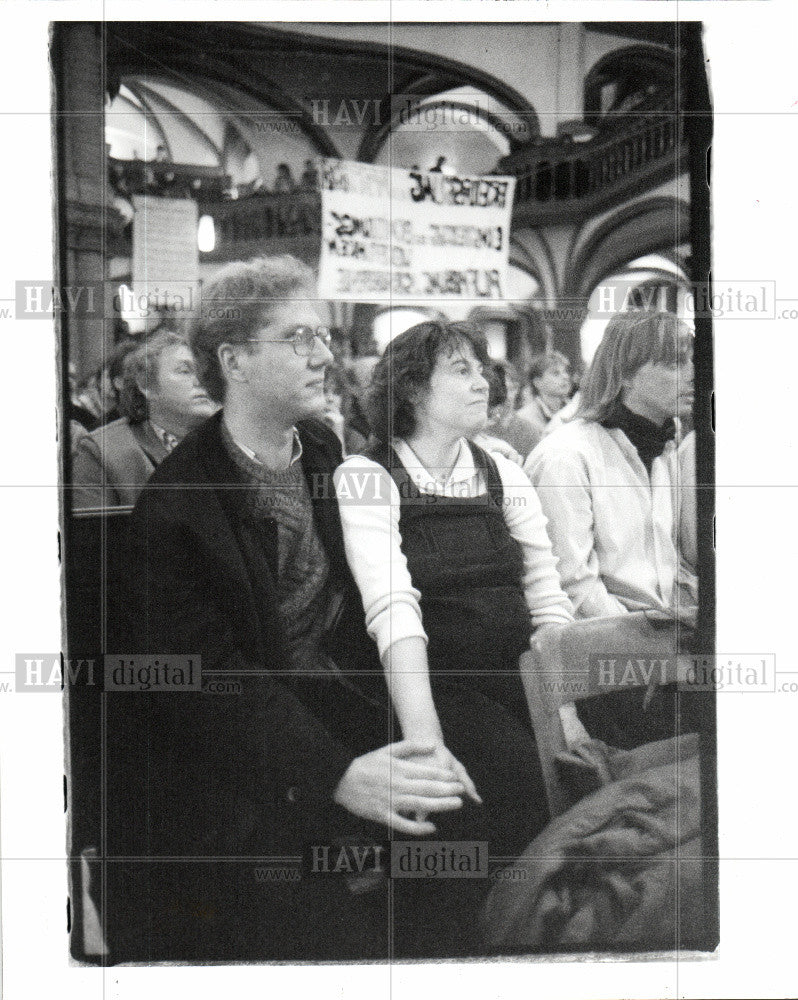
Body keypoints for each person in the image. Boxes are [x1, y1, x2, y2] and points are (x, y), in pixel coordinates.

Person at [111, 258, 538, 962]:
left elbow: (377, 594)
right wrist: (337, 772)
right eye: (298, 337)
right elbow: (204, 682)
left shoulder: (320, 447)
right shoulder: (177, 508)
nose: (323, 353)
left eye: (322, 335)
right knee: (365, 871)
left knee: (499, 774)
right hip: (252, 737)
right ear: (235, 359)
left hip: (341, 685)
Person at [334, 321, 573, 848]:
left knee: (583, 771)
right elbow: (391, 608)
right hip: (431, 687)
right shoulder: (366, 476)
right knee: (514, 785)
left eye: (482, 369)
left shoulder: (503, 473)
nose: (483, 382)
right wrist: (427, 744)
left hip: (519, 677)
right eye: (461, 370)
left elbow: (546, 594)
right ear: (414, 388)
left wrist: (565, 708)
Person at [524, 311, 697, 622]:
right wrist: (651, 639)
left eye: (692, 361)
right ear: (625, 373)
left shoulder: (663, 445)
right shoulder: (566, 456)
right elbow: (574, 586)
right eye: (675, 364)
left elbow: (671, 566)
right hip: (604, 645)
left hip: (662, 631)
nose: (693, 373)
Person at [71, 330, 218, 508]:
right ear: (146, 385)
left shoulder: (238, 442)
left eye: (206, 371)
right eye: (185, 370)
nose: (201, 380)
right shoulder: (102, 451)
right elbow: (95, 534)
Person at [483, 359, 541, 461]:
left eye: (504, 389)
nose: (499, 396)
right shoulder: (477, 429)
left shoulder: (529, 431)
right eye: (493, 390)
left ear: (516, 389)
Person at [516, 349, 572, 449]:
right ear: (537, 382)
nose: (565, 377)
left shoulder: (575, 411)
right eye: (556, 373)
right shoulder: (525, 419)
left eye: (565, 372)